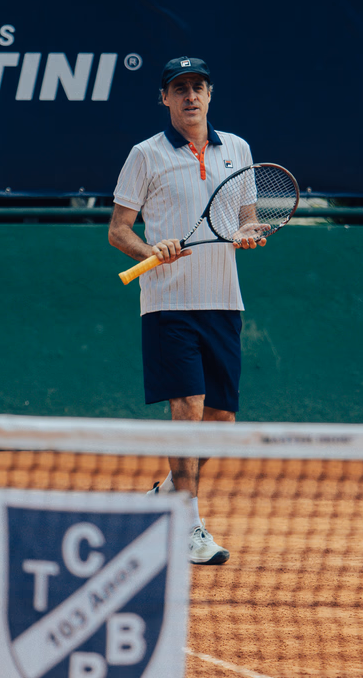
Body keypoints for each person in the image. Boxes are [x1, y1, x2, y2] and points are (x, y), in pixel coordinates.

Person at [108, 56, 265, 565]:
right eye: (180, 89)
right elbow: (118, 230)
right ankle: (189, 524)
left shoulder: (237, 149)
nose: (190, 96)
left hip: (223, 302)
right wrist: (150, 252)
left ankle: (168, 495)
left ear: (210, 94)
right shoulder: (145, 155)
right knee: (189, 408)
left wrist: (248, 235)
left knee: (221, 419)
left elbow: (247, 219)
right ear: (165, 99)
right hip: (168, 305)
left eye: (198, 87)